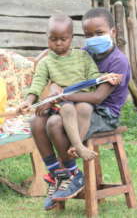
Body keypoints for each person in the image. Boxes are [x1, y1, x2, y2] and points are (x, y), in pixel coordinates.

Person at [18, 12, 122, 210]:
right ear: (46, 38)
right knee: (37, 120)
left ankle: (75, 155)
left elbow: (93, 75)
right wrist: (29, 100)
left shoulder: (83, 56)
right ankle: (59, 174)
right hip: (60, 103)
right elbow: (38, 83)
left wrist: (105, 77)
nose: (58, 44)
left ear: (72, 39)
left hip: (79, 99)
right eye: (52, 39)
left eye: (63, 39)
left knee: (80, 108)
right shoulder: (47, 62)